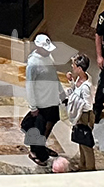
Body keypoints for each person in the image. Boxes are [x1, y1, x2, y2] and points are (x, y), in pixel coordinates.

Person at [25, 33, 65, 164]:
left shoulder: (49, 57)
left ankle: (41, 146)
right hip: (42, 102)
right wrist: (33, 106)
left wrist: (62, 93)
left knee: (51, 122)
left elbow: (54, 76)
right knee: (39, 128)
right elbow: (29, 86)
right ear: (39, 47)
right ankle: (34, 151)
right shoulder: (33, 63)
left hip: (52, 99)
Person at [64, 53, 97, 171]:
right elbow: (75, 91)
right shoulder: (80, 78)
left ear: (80, 68)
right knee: (80, 141)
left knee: (86, 144)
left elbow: (88, 105)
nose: (72, 67)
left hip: (85, 116)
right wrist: (71, 82)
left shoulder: (86, 87)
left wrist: (75, 102)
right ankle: (82, 165)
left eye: (73, 65)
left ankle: (90, 168)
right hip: (80, 115)